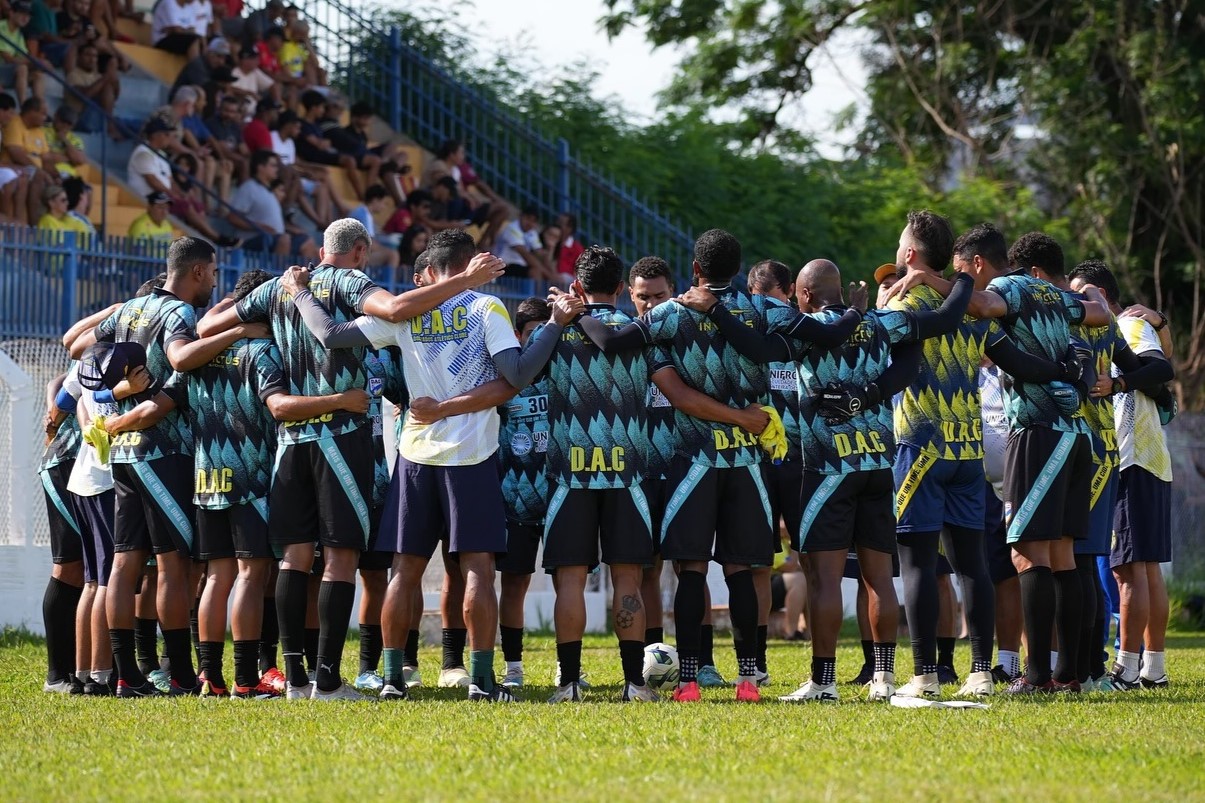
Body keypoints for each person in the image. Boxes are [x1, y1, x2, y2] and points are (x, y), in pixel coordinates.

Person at [195, 219, 506, 700]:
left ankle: (294, 679)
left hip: (290, 439)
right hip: (340, 433)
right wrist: (466, 281)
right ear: (360, 251)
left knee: (296, 560)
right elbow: (398, 308)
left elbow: (207, 326)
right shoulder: (348, 281)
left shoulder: (280, 287)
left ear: (322, 249)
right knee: (342, 560)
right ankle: (328, 680)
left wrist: (256, 322)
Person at [274, 228, 562, 702]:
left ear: (431, 270)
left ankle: (391, 678)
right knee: (477, 568)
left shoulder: (409, 310)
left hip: (415, 455)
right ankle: (483, 680)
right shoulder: (485, 309)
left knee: (404, 571)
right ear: (471, 263)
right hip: (470, 456)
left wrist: (302, 292)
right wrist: (552, 325)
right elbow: (515, 378)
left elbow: (328, 334)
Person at [576, 231, 859, 702]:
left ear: (694, 270)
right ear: (738, 266)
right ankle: (748, 679)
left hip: (693, 462)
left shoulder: (673, 311)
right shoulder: (764, 308)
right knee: (742, 571)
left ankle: (688, 680)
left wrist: (578, 310)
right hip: (747, 462)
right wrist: (853, 310)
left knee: (689, 571)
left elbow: (611, 339)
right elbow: (827, 335)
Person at [878, 213, 1092, 699]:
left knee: (918, 565)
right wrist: (1067, 372)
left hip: (921, 444)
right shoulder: (974, 311)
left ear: (911, 255)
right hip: (968, 448)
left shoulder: (907, 301)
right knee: (971, 562)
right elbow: (1019, 362)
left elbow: (881, 358)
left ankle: (925, 675)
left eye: (899, 245)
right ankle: (980, 671)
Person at [66, 237, 269, 697]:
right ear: (198, 271)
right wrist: (236, 332)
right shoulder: (179, 314)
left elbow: (78, 350)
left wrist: (109, 394)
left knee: (124, 561)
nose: (213, 282)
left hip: (121, 452)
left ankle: (124, 674)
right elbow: (178, 361)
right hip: (163, 451)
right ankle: (178, 672)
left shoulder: (129, 311)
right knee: (172, 565)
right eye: (213, 273)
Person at [539, 247, 657, 703]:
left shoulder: (560, 333)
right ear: (621, 289)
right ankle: (635, 684)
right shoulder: (638, 332)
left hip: (571, 476)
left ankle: (569, 683)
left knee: (570, 581)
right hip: (628, 475)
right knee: (627, 581)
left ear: (577, 287)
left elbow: (522, 374)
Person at [1067, 261, 1177, 690]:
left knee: (1129, 569)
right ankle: (1154, 666)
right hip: (1148, 460)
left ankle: (1127, 668)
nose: (1074, 303)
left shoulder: (1127, 327)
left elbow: (1160, 369)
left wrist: (1115, 385)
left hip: (1133, 459)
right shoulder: (1117, 330)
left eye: (1078, 293)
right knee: (1145, 568)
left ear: (1095, 291)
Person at [745, 259, 802, 686]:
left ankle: (760, 663)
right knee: (808, 563)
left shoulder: (749, 325)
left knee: (765, 566)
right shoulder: (802, 324)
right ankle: (823, 669)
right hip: (794, 458)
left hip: (772, 458)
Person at [491, 297, 552, 690]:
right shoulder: (505, 377)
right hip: (514, 496)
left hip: (565, 494)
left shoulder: (569, 370)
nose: (543, 343)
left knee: (570, 580)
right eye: (534, 335)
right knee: (514, 583)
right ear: (518, 335)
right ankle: (513, 667)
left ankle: (569, 666)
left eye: (550, 333)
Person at [2, 96, 56, 224]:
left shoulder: (40, 130)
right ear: (32, 112)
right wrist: (40, 171)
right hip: (14, 166)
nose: (46, 118)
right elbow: (15, 152)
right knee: (37, 176)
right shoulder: (15, 123)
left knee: (77, 187)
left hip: (29, 169)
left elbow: (47, 158)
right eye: (43, 113)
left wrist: (56, 176)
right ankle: (33, 224)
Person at [64, 40, 121, 135]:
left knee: (130, 124)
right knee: (106, 87)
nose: (92, 59)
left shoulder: (98, 76)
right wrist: (106, 77)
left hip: (97, 117)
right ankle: (110, 126)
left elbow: (115, 97)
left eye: (95, 56)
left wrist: (115, 79)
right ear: (79, 57)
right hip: (79, 118)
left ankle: (112, 125)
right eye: (88, 55)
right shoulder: (73, 75)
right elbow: (85, 95)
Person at [494, 205, 558, 282]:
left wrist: (550, 249)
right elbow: (524, 253)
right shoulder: (512, 228)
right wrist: (549, 275)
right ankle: (539, 294)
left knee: (538, 269)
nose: (530, 223)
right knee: (535, 271)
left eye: (534, 221)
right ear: (521, 216)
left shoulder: (532, 233)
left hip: (519, 266)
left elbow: (540, 254)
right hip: (503, 266)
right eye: (528, 218)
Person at [0, 1, 43, 104]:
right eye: (22, 14)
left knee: (38, 75)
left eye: (28, 16)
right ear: (11, 13)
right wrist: (33, 62)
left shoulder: (19, 33)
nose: (25, 18)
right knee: (22, 68)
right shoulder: (1, 27)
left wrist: (36, 63)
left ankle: (39, 107)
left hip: (8, 71)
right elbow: (8, 58)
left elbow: (24, 56)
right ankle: (24, 107)